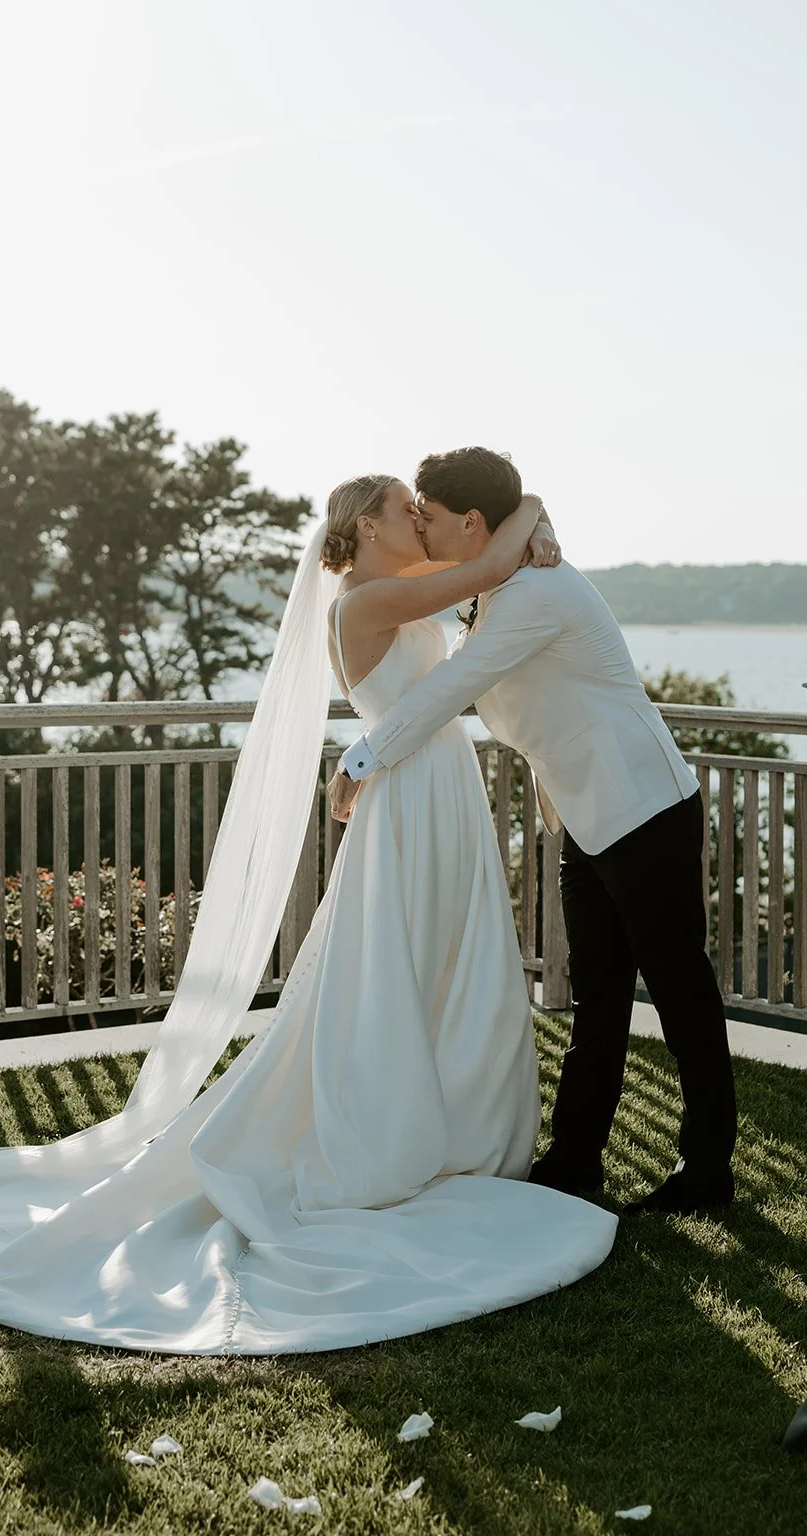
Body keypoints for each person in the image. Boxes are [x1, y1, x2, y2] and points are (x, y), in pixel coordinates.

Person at [0, 475, 615, 1353]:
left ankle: (465, 1128)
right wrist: (533, 507)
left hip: (436, 786)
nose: (419, 518)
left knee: (453, 962)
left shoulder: (397, 586)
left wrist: (531, 529)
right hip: (411, 799)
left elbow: (483, 582)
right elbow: (488, 567)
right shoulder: (364, 600)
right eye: (404, 508)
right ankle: (398, 1134)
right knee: (400, 964)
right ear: (365, 527)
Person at [332, 446, 738, 1215]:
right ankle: (575, 1159)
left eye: (429, 516)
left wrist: (361, 758)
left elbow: (453, 684)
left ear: (471, 522)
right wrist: (537, 518)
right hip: (583, 815)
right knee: (597, 993)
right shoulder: (500, 583)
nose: (422, 528)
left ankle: (707, 1171)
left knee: (680, 990)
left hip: (644, 809)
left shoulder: (534, 593)